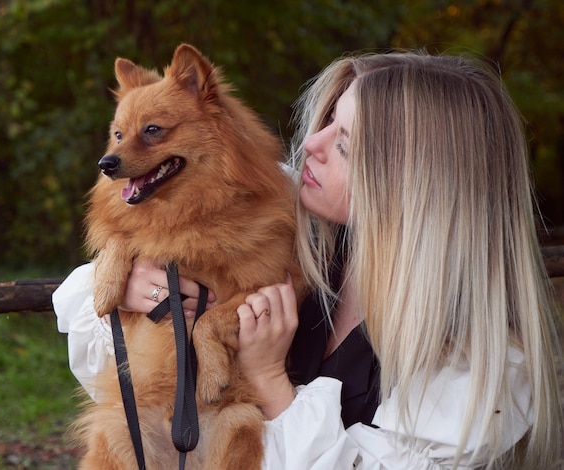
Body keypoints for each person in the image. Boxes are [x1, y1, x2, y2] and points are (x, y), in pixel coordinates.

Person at [54, 50, 563, 468]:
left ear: (418, 186)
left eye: (343, 145)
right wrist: (130, 280)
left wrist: (272, 383)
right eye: (324, 123)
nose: (310, 147)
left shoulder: (478, 365)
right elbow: (102, 322)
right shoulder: (291, 216)